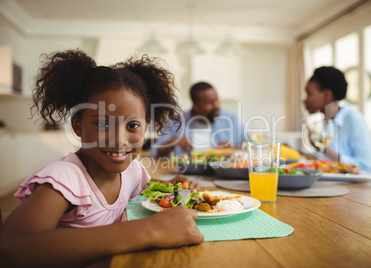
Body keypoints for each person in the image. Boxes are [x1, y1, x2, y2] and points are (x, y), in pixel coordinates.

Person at [0, 50, 204, 268]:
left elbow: (148, 187)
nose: (119, 140)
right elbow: (11, 249)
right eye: (102, 124)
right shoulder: (64, 180)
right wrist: (150, 230)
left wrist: (170, 186)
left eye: (132, 126)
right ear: (78, 125)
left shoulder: (131, 170)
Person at [303, 66, 371, 174]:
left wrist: (324, 149)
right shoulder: (326, 121)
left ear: (327, 94)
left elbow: (366, 167)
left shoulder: (353, 118)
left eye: (309, 93)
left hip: (356, 189)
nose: (304, 100)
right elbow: (324, 161)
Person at [151, 81, 245, 157]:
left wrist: (232, 149)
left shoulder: (230, 119)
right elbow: (154, 152)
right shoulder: (177, 122)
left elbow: (252, 147)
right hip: (188, 173)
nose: (216, 105)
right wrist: (172, 142)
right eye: (209, 103)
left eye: (216, 100)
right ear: (196, 106)